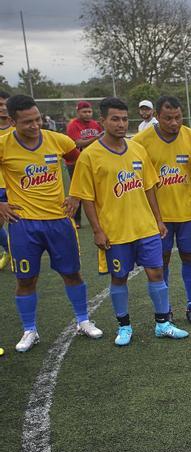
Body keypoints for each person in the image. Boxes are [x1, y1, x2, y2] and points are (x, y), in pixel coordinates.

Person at [70, 97, 188, 346]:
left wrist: (158, 220)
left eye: (124, 119)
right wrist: (97, 231)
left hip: (145, 227)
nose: (121, 124)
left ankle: (163, 323)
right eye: (115, 119)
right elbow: (87, 198)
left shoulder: (137, 149)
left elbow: (149, 187)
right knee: (119, 277)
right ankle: (124, 326)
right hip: (115, 231)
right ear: (102, 121)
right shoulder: (90, 156)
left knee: (156, 272)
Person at [0, 95, 104, 352]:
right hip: (23, 224)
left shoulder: (59, 140)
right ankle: (30, 330)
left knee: (72, 272)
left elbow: (79, 162)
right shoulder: (3, 146)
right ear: (12, 121)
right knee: (26, 279)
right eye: (27, 122)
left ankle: (83, 320)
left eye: (37, 119)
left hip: (59, 221)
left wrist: (76, 194)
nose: (35, 126)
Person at [132, 95, 191, 325]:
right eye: (168, 118)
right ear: (156, 117)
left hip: (190, 213)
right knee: (160, 262)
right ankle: (165, 309)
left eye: (178, 117)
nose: (174, 123)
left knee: (189, 257)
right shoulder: (141, 141)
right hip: (158, 217)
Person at [66, 101, 103, 228]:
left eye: (89, 111)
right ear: (78, 112)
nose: (87, 114)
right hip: (76, 161)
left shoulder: (95, 124)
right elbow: (78, 143)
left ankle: (99, 217)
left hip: (95, 161)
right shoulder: (73, 125)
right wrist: (96, 138)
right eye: (84, 112)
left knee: (98, 190)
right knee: (78, 192)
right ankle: (76, 220)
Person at [0, 90, 14, 271]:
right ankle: (9, 249)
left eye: (5, 105)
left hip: (18, 184)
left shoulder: (19, 128)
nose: (2, 108)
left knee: (19, 220)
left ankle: (18, 251)